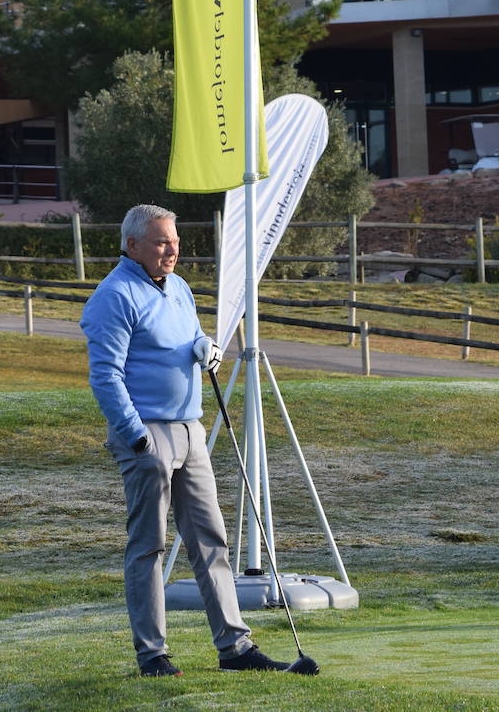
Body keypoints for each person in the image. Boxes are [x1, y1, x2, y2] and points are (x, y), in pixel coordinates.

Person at [80, 203, 306, 677]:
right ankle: (153, 655)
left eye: (176, 241)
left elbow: (188, 338)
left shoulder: (178, 287)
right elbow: (105, 376)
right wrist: (135, 436)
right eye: (162, 241)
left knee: (210, 540)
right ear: (133, 245)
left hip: (191, 428)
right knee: (148, 547)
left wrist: (203, 348)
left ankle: (236, 649)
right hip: (147, 434)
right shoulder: (114, 295)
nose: (173, 249)